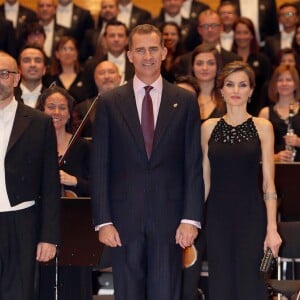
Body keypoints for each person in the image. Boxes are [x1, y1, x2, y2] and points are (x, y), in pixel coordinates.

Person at [91, 24, 204, 300]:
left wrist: (191, 219)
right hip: (123, 221)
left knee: (166, 293)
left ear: (164, 52)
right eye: (140, 50)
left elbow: (192, 164)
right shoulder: (108, 102)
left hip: (171, 221)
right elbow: (100, 166)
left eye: (153, 49)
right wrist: (103, 221)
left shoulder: (185, 100)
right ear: (129, 55)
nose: (147, 56)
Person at [201, 60, 282, 299]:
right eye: (230, 84)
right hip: (216, 218)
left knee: (251, 286)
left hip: (251, 217)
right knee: (220, 285)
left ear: (251, 90)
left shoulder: (263, 127)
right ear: (221, 90)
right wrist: (193, 221)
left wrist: (272, 229)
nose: (236, 90)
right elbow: (204, 182)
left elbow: (269, 185)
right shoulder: (208, 127)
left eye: (242, 85)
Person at [0, 51, 60, 299]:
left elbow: (50, 184)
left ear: (16, 79)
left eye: (4, 73)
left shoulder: (38, 122)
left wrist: (48, 237)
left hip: (21, 222)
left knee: (19, 294)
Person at [36, 85, 91, 300]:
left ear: (69, 114)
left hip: (75, 228)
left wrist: (74, 181)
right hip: (41, 226)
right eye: (51, 107)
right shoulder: (33, 144)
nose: (56, 112)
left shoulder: (83, 147)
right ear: (41, 110)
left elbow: (98, 187)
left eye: (62, 108)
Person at [259, 64, 300, 162]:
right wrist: (275, 157)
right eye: (280, 80)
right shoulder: (265, 113)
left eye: (289, 80)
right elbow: (256, 149)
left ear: (296, 84)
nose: (284, 83)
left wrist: (298, 142)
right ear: (274, 85)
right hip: (275, 170)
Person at [232, 17, 272, 115]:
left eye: (246, 32)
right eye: (238, 33)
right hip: (232, 110)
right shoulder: (227, 58)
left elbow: (268, 87)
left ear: (252, 35)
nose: (242, 37)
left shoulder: (263, 59)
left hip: (258, 111)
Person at [74, 60, 121, 137]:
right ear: (95, 79)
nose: (107, 76)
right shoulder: (82, 109)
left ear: (119, 78)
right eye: (102, 73)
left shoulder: (132, 104)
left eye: (111, 72)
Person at [45, 36, 89, 103]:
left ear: (76, 54)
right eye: (63, 49)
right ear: (57, 54)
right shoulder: (48, 77)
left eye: (71, 49)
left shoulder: (85, 76)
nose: (68, 52)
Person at [192, 44, 225, 122]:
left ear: (218, 67)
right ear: (192, 67)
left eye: (210, 63)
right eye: (199, 63)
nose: (205, 68)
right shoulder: (184, 97)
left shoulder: (227, 98)